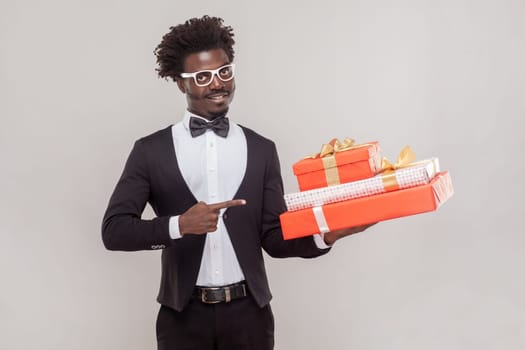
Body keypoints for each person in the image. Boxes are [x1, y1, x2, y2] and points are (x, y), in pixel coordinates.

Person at [102, 15, 373, 350]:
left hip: (251, 317)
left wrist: (328, 234)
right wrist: (179, 225)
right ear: (180, 83)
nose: (217, 84)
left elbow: (273, 238)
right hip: (182, 319)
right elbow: (114, 231)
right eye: (202, 76)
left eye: (224, 71)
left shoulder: (262, 149)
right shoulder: (150, 151)